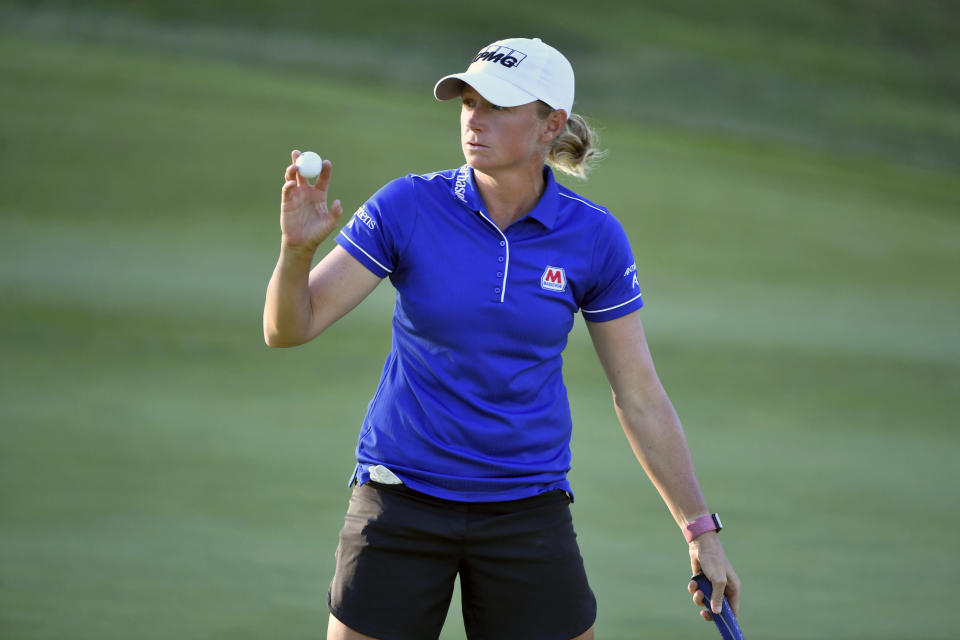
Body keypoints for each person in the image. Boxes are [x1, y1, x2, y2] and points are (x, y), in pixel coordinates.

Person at [263, 37, 740, 640]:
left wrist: (701, 532)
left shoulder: (594, 238)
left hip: (525, 509)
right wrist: (296, 251)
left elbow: (640, 396)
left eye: (497, 105)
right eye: (468, 102)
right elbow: (288, 327)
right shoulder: (410, 204)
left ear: (551, 126)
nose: (474, 119)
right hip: (401, 499)